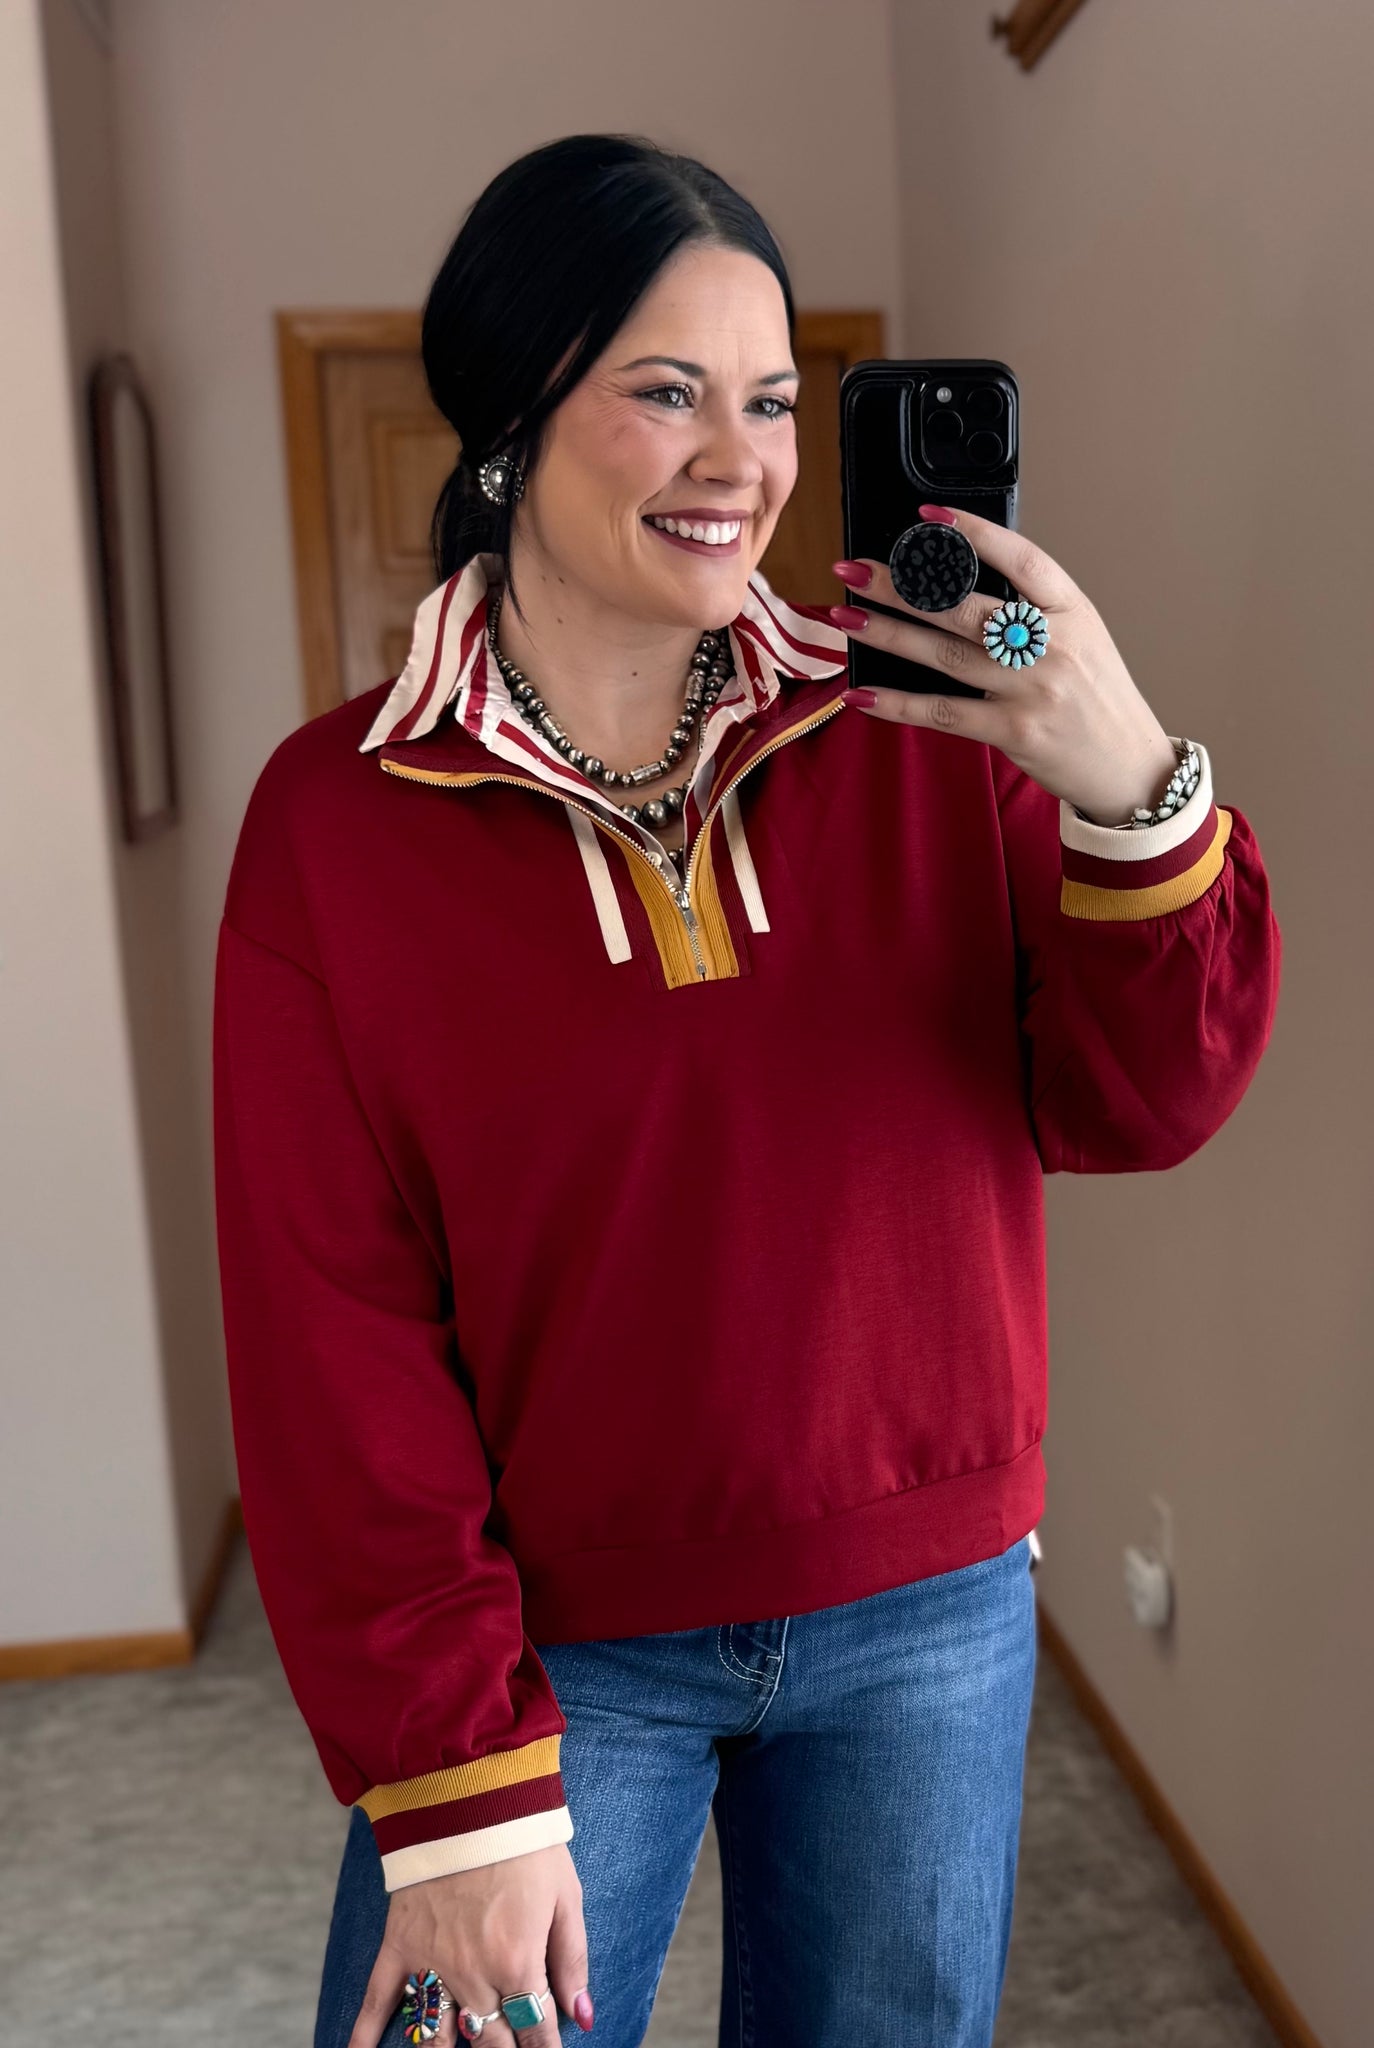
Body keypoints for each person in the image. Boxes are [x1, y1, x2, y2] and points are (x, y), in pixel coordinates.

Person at [211, 133, 1281, 2048]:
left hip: (930, 1606)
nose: (741, 462)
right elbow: (328, 1331)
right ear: (509, 419)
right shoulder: (333, 823)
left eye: (773, 401)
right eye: (667, 393)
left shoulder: (932, 716)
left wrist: (1124, 767)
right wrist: (450, 1784)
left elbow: (1145, 1100)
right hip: (548, 1652)